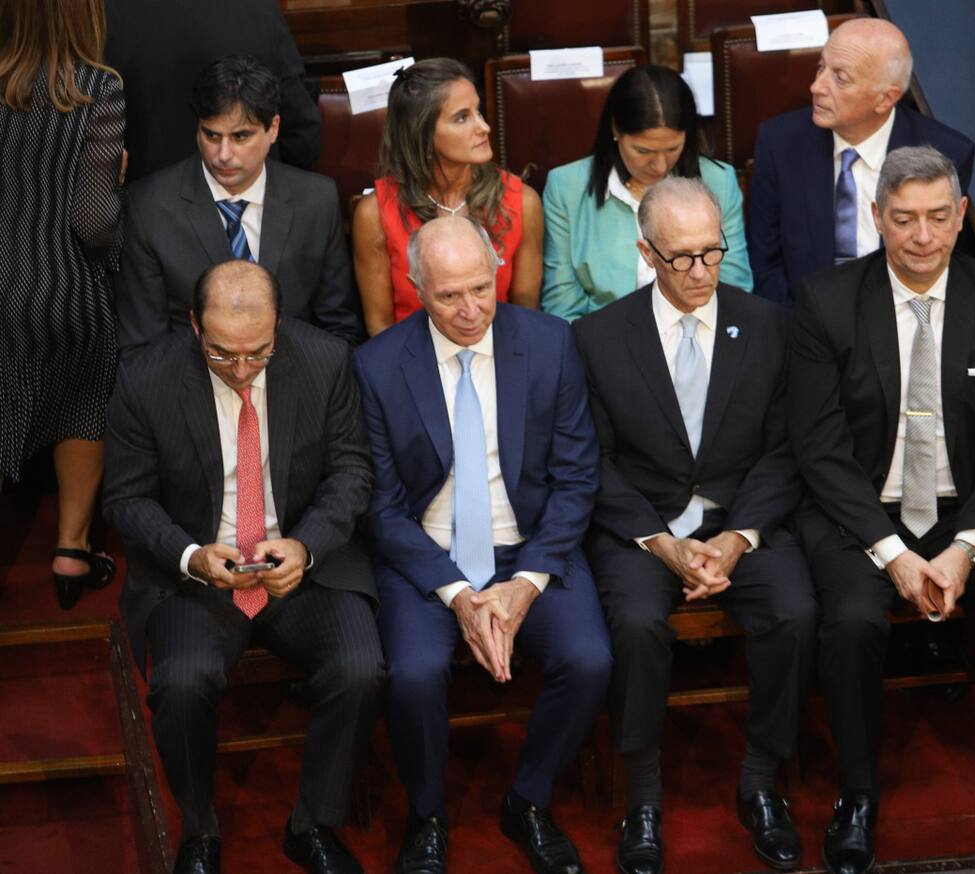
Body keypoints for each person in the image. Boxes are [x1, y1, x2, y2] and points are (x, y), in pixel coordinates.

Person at [788, 146, 975, 872]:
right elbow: (819, 449)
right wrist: (892, 554)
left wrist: (964, 548)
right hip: (863, 512)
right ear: (879, 220)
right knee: (853, 621)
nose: (922, 236)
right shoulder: (825, 303)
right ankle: (857, 793)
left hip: (971, 509)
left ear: (960, 219)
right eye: (905, 219)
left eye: (937, 218)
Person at [103, 260, 383, 874]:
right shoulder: (145, 378)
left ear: (279, 325)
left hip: (300, 567)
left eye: (257, 353)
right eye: (222, 354)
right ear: (194, 325)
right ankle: (199, 831)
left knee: (361, 668)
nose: (241, 370)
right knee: (180, 684)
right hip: (200, 574)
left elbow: (351, 472)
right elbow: (126, 498)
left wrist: (306, 546)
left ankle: (313, 822)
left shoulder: (325, 360)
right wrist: (191, 556)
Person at [573, 177, 817, 874]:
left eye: (713, 252)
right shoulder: (597, 338)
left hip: (741, 520)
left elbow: (784, 448)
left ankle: (762, 783)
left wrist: (737, 538)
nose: (701, 272)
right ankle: (642, 797)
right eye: (682, 257)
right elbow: (595, 460)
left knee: (796, 612)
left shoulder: (769, 324)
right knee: (637, 627)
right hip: (641, 528)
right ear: (646, 253)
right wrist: (662, 541)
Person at [354, 216, 610, 874]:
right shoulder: (378, 366)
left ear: (499, 269)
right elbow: (380, 507)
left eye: (481, 288)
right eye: (448, 296)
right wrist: (460, 596)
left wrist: (525, 584)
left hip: (528, 547)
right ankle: (428, 814)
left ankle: (528, 799)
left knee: (588, 660)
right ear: (414, 287)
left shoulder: (551, 344)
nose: (470, 310)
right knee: (412, 675)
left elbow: (578, 479)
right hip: (428, 558)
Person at [0, 0, 124, 610]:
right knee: (83, 399)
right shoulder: (98, 90)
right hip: (66, 293)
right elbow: (94, 223)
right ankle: (72, 549)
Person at [115, 54, 361, 353]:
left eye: (241, 136)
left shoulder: (316, 200)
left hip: (297, 384)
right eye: (211, 135)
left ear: (273, 129)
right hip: (193, 390)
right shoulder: (149, 208)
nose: (223, 154)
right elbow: (143, 351)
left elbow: (339, 330)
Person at [748, 18, 975, 305]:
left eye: (840, 78)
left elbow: (939, 267)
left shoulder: (948, 154)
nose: (816, 87)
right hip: (803, 326)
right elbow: (766, 264)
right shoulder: (779, 143)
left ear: (885, 99)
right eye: (821, 67)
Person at [542, 64, 752, 322]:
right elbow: (562, 307)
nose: (660, 166)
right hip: (604, 344)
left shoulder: (718, 182)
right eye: (644, 151)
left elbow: (735, 288)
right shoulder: (567, 188)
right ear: (615, 130)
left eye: (673, 148)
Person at [353, 58, 542, 337]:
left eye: (478, 111)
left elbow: (525, 319)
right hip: (414, 362)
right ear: (423, 134)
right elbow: (380, 328)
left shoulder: (522, 203)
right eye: (462, 117)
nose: (484, 127)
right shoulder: (375, 215)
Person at [104, 0, 321, 184]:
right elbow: (302, 136)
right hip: (250, 212)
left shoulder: (105, 11)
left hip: (148, 212)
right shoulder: (258, 7)